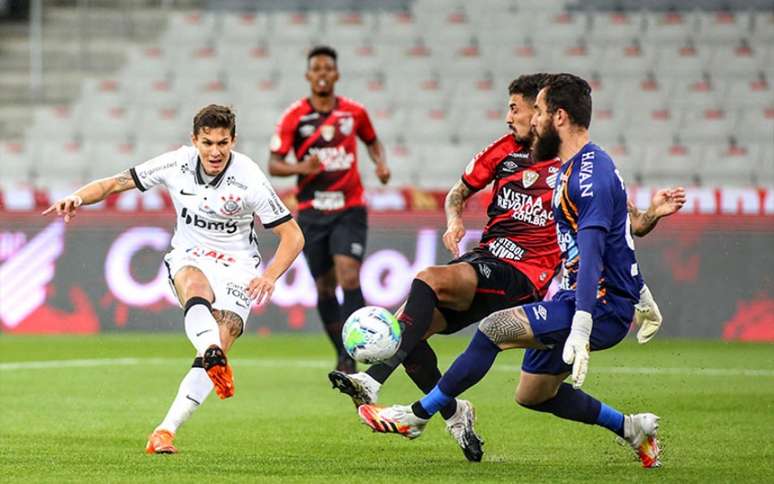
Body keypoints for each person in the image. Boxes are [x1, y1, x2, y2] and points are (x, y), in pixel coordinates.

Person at [330, 74, 685, 462]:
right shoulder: (570, 166)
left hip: (580, 299)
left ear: (555, 116)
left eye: (532, 112)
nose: (524, 121)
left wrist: (585, 325)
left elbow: (598, 250)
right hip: (555, 286)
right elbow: (619, 236)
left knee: (485, 323)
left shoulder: (588, 176)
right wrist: (642, 289)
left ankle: (415, 413)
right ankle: (631, 428)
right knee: (531, 394)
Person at [43, 105, 305, 454]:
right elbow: (114, 183)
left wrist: (270, 276)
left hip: (239, 264)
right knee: (195, 288)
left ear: (234, 141)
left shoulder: (250, 177)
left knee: (222, 339)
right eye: (207, 142)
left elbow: (293, 236)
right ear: (194, 140)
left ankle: (165, 430)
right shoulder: (175, 164)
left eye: (223, 143)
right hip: (190, 255)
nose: (215, 151)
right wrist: (78, 196)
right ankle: (209, 349)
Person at [329, 73, 562, 462]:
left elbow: (621, 213)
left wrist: (648, 216)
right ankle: (456, 414)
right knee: (412, 330)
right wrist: (454, 219)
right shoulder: (502, 151)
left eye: (515, 109)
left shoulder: (570, 162)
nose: (509, 117)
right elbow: (458, 192)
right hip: (485, 259)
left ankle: (372, 380)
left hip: (524, 274)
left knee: (428, 279)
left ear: (540, 112)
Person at [268, 45, 390, 374]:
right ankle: (343, 354)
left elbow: (372, 140)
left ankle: (365, 345)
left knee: (349, 274)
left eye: (328, 68)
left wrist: (380, 163)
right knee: (324, 286)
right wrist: (302, 167)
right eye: (316, 68)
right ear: (308, 76)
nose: (322, 73)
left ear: (336, 74)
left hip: (349, 207)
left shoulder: (354, 113)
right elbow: (274, 165)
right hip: (311, 211)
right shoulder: (294, 116)